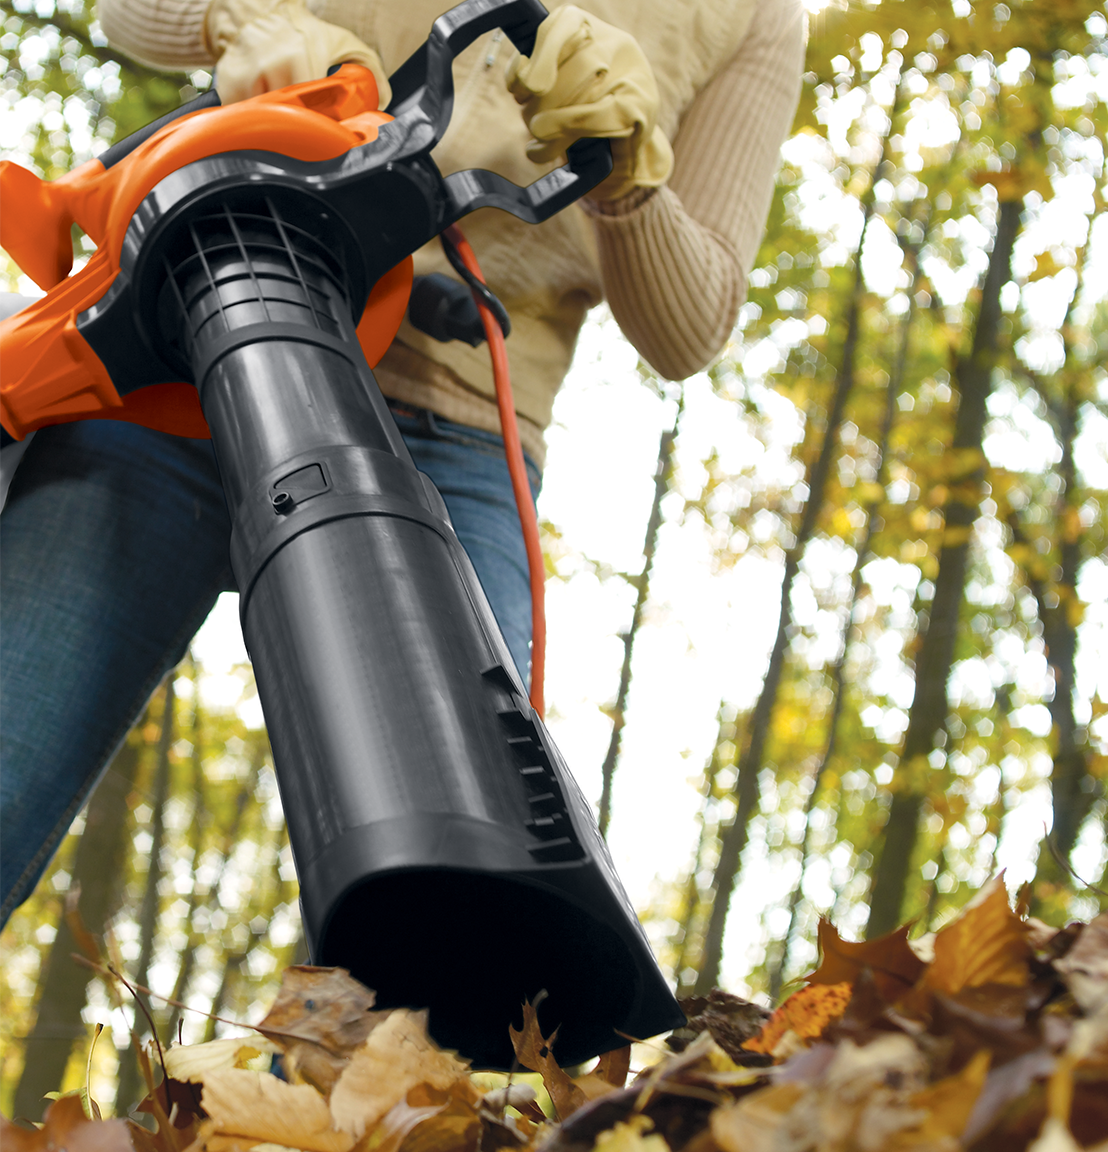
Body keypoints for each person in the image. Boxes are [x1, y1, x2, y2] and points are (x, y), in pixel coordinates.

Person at [0, 0, 805, 928]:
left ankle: (353, 1074)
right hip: (182, 349)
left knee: (461, 874)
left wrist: (628, 178)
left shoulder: (753, 18)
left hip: (449, 440)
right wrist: (241, 20)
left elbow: (691, 327)